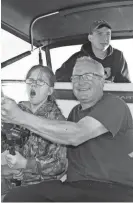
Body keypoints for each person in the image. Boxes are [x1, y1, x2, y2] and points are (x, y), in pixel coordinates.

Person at [2, 57, 133, 202]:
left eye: (87, 76)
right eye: (75, 77)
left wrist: (19, 117)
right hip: (73, 188)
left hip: (113, 189)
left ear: (102, 80)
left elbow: (76, 134)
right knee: (16, 197)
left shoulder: (113, 104)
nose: (80, 81)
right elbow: (61, 159)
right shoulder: (74, 114)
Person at [1, 65, 67, 197]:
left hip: (40, 186)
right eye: (30, 81)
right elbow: (3, 144)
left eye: (40, 82)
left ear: (50, 90)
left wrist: (25, 164)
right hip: (10, 181)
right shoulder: (17, 111)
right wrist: (5, 170)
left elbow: (60, 165)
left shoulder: (58, 120)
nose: (34, 85)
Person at [55, 19, 131, 83]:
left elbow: (125, 85)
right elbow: (58, 79)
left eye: (108, 34)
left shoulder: (118, 56)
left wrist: (110, 85)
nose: (105, 38)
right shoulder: (77, 58)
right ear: (90, 37)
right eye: (100, 34)